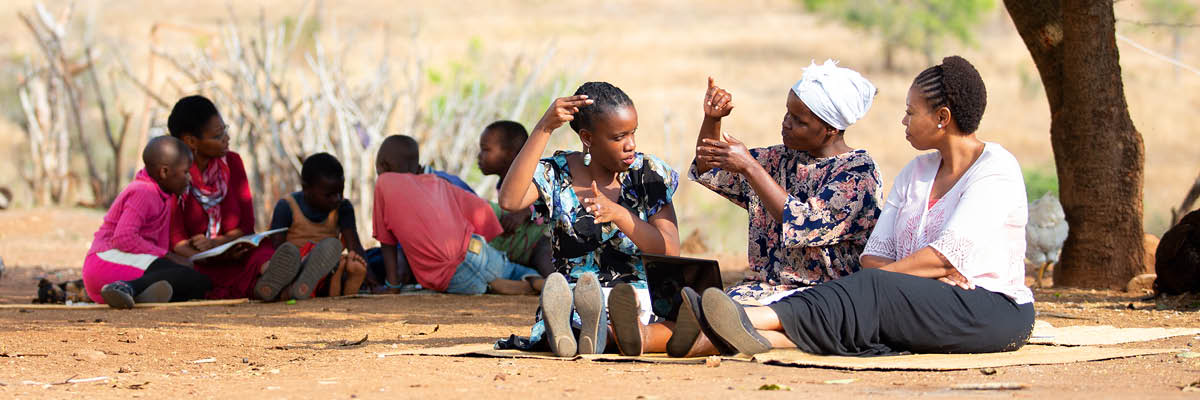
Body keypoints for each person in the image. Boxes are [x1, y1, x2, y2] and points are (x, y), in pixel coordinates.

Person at [694, 56, 1035, 357]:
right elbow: (872, 257)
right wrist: (713, 121)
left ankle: (747, 319)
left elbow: (942, 257)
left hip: (990, 306)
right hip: (914, 298)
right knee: (870, 289)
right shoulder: (915, 172)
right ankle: (763, 337)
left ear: (942, 117)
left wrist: (877, 284)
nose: (903, 120)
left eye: (910, 112)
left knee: (870, 287)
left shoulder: (994, 169)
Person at [497, 82, 681, 357]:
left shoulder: (649, 173)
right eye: (619, 137)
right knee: (573, 311)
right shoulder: (556, 174)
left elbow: (669, 251)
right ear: (587, 138)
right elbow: (510, 201)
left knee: (688, 323)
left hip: (638, 296)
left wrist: (619, 214)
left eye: (633, 133)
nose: (631, 144)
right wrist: (543, 128)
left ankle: (599, 335)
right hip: (575, 295)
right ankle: (585, 332)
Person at [691, 61, 883, 306]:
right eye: (787, 113)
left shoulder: (858, 174)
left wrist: (750, 167)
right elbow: (709, 168)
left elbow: (802, 221)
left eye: (799, 120)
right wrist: (712, 119)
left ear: (830, 129)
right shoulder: (780, 158)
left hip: (823, 295)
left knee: (719, 312)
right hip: (765, 288)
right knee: (706, 305)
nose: (786, 123)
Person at [372, 135, 541, 296]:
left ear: (383, 166)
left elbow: (387, 242)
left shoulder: (383, 183)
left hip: (448, 273)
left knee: (474, 284)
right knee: (513, 270)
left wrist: (393, 285)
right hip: (476, 250)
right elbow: (480, 209)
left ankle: (492, 285)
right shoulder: (436, 182)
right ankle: (534, 280)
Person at [82, 136, 213, 309]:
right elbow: (123, 238)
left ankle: (140, 293)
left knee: (198, 281)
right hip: (106, 262)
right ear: (164, 172)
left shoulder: (162, 194)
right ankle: (125, 288)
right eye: (185, 172)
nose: (189, 178)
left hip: (123, 266)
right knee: (187, 275)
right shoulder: (144, 191)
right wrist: (167, 255)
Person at [167, 95, 275, 299]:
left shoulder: (233, 162)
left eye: (225, 129)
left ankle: (270, 276)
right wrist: (210, 256)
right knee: (191, 273)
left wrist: (219, 244)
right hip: (197, 260)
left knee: (263, 251)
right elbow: (176, 242)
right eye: (217, 136)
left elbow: (246, 225)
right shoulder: (175, 175)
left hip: (233, 252)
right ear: (191, 141)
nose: (226, 139)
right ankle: (267, 283)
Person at [256, 153, 368, 301]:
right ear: (306, 189)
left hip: (326, 266)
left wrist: (368, 275)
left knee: (346, 264)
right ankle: (289, 287)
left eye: (340, 192)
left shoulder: (343, 207)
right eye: (329, 195)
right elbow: (277, 249)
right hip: (294, 265)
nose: (337, 199)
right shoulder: (287, 206)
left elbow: (354, 245)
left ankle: (298, 289)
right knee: (275, 265)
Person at [477, 120, 554, 277]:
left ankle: (567, 289)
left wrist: (525, 211)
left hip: (546, 240)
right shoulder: (502, 186)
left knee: (546, 259)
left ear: (510, 153)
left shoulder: (533, 176)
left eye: (486, 150)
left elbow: (550, 199)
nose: (479, 156)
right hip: (525, 247)